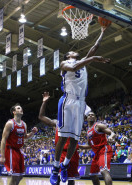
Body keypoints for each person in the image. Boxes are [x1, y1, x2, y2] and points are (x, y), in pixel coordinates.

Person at [51, 26, 110, 185]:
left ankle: (64, 166)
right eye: (71, 52)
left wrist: (103, 32)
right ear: (68, 56)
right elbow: (74, 67)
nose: (74, 52)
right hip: (68, 100)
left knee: (75, 140)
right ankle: (56, 168)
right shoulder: (65, 63)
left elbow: (94, 47)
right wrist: (93, 59)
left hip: (81, 102)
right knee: (63, 138)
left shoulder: (83, 62)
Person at [38, 92, 82, 185]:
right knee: (56, 178)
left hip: (72, 153)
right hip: (60, 152)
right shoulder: (57, 122)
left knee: (71, 179)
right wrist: (44, 102)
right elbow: (41, 117)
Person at [0, 103, 38, 185]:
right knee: (15, 176)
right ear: (14, 112)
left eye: (21, 108)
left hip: (18, 151)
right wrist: (2, 156)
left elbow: (25, 137)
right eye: (18, 108)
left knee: (20, 176)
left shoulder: (24, 124)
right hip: (10, 150)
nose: (21, 109)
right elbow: (3, 139)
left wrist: (33, 133)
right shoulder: (10, 124)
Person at [79, 111, 115, 185]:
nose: (91, 116)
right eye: (89, 115)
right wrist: (79, 146)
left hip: (104, 150)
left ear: (95, 118)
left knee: (104, 171)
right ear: (87, 118)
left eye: (92, 115)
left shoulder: (98, 126)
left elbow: (112, 133)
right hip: (97, 154)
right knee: (92, 175)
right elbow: (89, 145)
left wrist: (111, 136)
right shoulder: (88, 131)